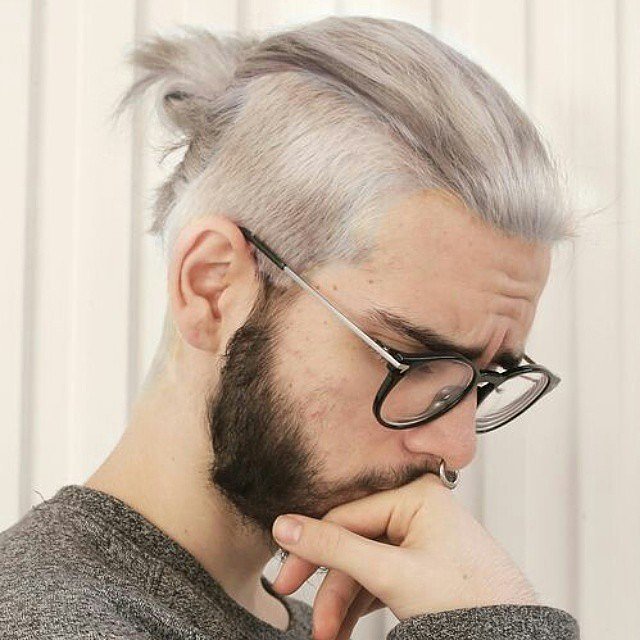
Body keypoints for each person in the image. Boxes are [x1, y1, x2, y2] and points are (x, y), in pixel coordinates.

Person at [0, 15, 581, 640]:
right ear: (212, 288)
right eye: (409, 359)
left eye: (485, 380)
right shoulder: (45, 619)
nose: (458, 447)